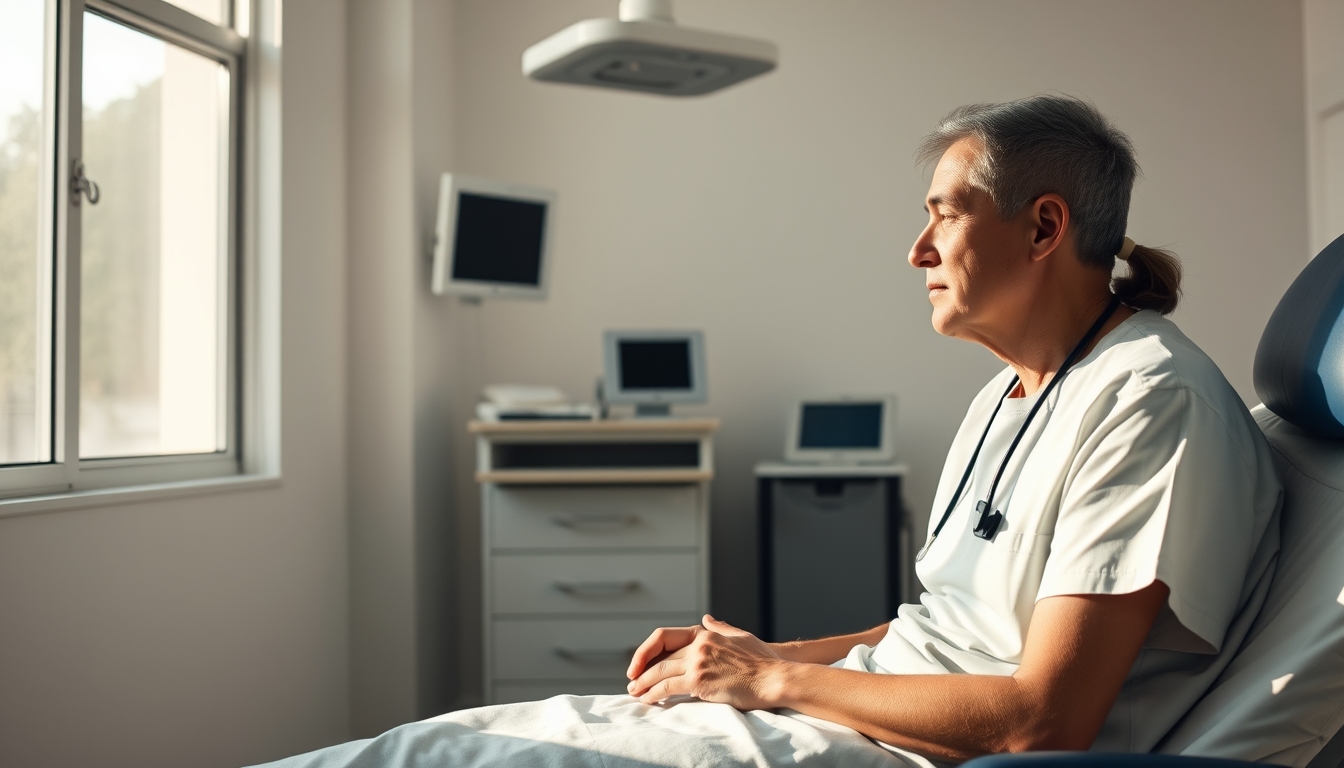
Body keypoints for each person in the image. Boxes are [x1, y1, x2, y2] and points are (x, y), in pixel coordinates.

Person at [253, 95, 1281, 768]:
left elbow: (1041, 720)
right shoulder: (1017, 390)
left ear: (1044, 227)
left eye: (943, 214)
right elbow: (941, 631)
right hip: (864, 709)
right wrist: (751, 653)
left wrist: (775, 680)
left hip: (902, 751)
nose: (914, 246)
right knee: (445, 738)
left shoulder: (1151, 401)